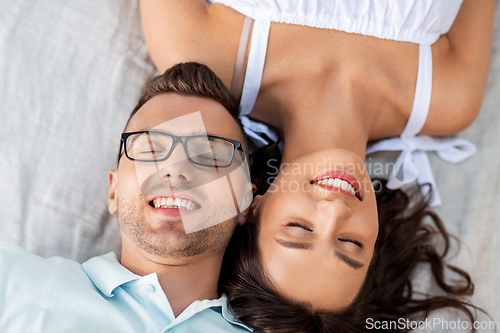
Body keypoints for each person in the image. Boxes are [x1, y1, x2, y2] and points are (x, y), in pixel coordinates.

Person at [138, 0, 495, 331]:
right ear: (376, 242)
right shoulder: (449, 98)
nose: (334, 211)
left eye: (299, 228)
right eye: (350, 242)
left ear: (252, 204)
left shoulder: (194, 48)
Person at [0, 62, 252, 333]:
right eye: (151, 149)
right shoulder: (11, 281)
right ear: (114, 190)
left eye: (209, 156)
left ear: (244, 203)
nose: (176, 170)